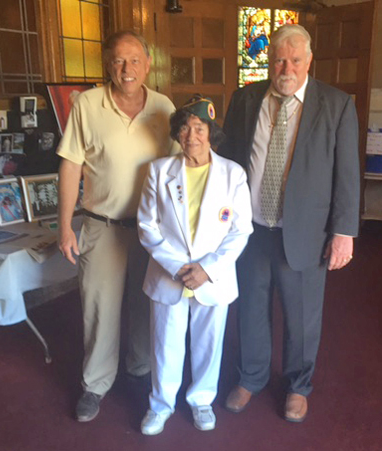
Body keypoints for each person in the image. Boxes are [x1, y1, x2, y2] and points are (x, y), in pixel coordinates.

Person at [218, 24, 360, 423]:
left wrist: (344, 233)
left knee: (301, 316)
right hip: (251, 229)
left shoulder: (335, 104)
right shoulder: (245, 99)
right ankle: (252, 376)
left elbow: (347, 173)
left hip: (305, 234)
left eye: (295, 60)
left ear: (308, 61)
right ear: (268, 61)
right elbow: (228, 162)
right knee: (251, 308)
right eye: (279, 59)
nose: (286, 67)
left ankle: (299, 385)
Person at [56, 30, 180, 422]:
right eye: (118, 61)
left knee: (148, 304)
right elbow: (70, 164)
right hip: (101, 226)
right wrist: (64, 226)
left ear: (148, 64)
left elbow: (180, 168)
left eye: (134, 61)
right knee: (99, 308)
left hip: (150, 230)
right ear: (108, 65)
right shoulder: (88, 104)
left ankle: (140, 370)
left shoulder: (163, 106)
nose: (126, 70)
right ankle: (95, 384)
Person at [137, 96, 253, 435]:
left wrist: (207, 268)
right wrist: (176, 266)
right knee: (164, 343)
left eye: (199, 128)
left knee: (208, 342)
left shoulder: (232, 174)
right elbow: (147, 226)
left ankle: (202, 400)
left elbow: (240, 229)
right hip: (168, 275)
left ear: (210, 132)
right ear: (177, 133)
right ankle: (160, 405)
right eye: (185, 128)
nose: (192, 136)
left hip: (212, 278)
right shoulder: (159, 172)